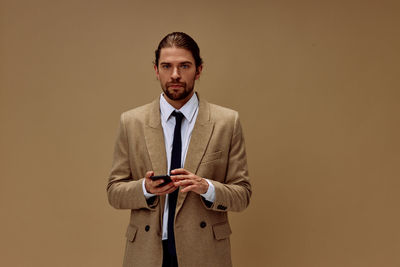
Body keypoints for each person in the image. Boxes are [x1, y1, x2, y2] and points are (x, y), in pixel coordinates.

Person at [107, 32, 251, 267]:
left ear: (199, 70)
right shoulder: (131, 122)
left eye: (184, 65)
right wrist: (146, 188)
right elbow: (114, 191)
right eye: (167, 66)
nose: (175, 75)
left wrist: (207, 187)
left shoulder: (226, 122)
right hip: (147, 253)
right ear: (156, 70)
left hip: (204, 252)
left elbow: (243, 195)